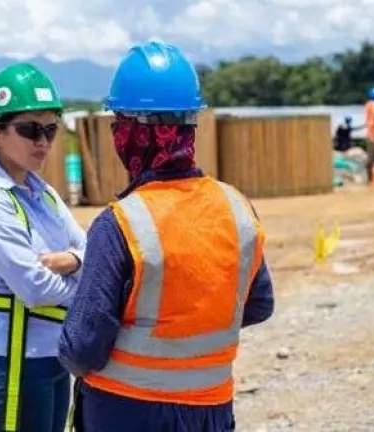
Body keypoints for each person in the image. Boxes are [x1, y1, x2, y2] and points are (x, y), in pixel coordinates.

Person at [58, 40, 275, 432]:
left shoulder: (121, 223)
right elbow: (258, 304)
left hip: (127, 410)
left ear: (130, 134)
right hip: (211, 408)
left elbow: (83, 347)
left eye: (118, 124)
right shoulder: (236, 208)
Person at [0, 62, 87, 432]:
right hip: (9, 360)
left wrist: (73, 259)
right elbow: (35, 288)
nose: (43, 141)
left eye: (49, 129)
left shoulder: (41, 192)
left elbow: (92, 248)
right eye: (30, 129)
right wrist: (86, 282)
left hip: (52, 354)